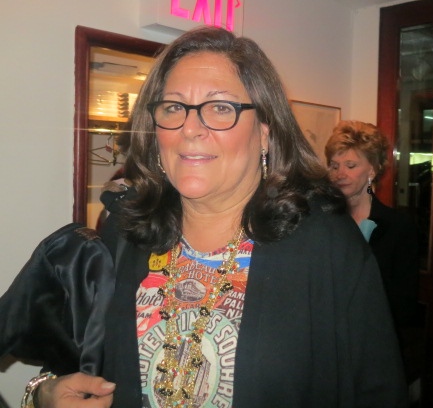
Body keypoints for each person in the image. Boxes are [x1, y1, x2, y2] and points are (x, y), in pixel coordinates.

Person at [1, 27, 408, 408]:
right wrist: (45, 392)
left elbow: (377, 391)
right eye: (174, 107)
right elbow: (82, 355)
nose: (190, 128)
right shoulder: (126, 234)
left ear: (265, 131)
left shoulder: (326, 245)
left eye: (220, 107)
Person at [324, 120, 420, 332]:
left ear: (372, 171)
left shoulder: (398, 227)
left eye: (350, 166)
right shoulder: (323, 222)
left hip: (376, 336)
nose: (340, 174)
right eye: (334, 166)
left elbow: (403, 304)